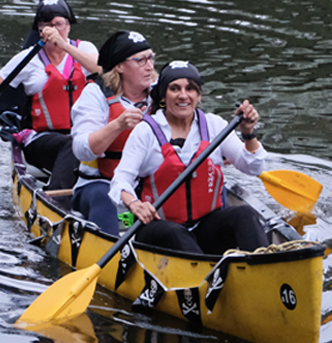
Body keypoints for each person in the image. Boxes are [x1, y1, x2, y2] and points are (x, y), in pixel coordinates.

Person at [108, 61, 270, 254]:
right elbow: (120, 181)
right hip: (160, 230)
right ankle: (203, 279)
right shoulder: (146, 131)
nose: (183, 95)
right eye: (174, 88)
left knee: (245, 214)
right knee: (176, 233)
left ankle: (262, 267)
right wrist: (134, 204)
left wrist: (248, 133)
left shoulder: (215, 126)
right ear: (163, 97)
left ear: (198, 96)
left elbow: (253, 168)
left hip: (206, 227)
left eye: (190, 89)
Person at [0, 0, 100, 190]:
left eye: (59, 24)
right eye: (48, 25)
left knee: (95, 141)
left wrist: (64, 46)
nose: (54, 30)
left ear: (68, 26)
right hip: (40, 140)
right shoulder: (28, 59)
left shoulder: (85, 49)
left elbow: (101, 70)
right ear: (40, 29)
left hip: (83, 135)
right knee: (73, 144)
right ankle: (56, 199)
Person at [70, 31, 158, 236]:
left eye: (151, 58)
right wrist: (117, 125)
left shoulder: (163, 92)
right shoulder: (95, 94)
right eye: (141, 60)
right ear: (119, 66)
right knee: (106, 198)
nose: (150, 66)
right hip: (100, 184)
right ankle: (111, 253)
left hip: (145, 185)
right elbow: (82, 150)